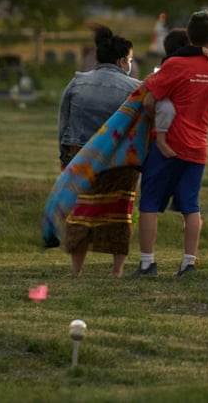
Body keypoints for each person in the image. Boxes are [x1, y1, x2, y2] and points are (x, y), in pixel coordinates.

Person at [132, 10, 208, 277]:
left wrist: (156, 124)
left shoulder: (176, 66)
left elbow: (149, 98)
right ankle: (188, 263)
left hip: (168, 144)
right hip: (198, 146)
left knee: (150, 203)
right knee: (191, 206)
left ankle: (147, 263)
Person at [57, 25, 141, 277]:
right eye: (129, 59)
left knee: (81, 211)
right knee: (119, 213)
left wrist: (64, 158)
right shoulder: (135, 88)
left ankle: (76, 270)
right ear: (121, 60)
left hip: (80, 155)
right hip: (119, 161)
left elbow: (64, 121)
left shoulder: (77, 82)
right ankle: (117, 270)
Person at [154, 28, 208, 158]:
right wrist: (199, 50)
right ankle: (161, 140)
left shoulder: (175, 61)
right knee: (166, 108)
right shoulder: (173, 61)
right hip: (163, 102)